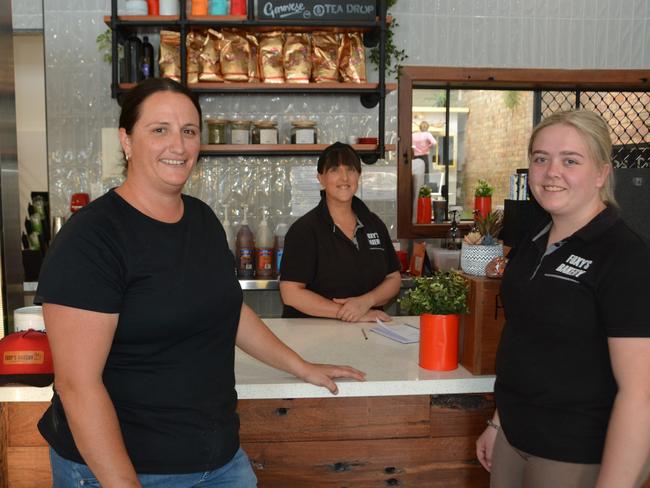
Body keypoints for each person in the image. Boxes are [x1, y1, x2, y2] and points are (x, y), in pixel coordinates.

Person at [35, 78, 365, 488]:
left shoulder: (201, 220)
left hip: (220, 463)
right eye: (160, 130)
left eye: (188, 131)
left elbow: (228, 310)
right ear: (126, 140)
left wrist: (301, 366)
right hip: (124, 471)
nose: (178, 145)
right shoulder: (93, 239)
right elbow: (77, 386)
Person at [476, 110, 650, 487]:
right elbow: (524, 340)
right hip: (513, 440)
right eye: (541, 159)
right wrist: (498, 423)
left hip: (575, 454)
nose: (551, 172)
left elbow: (641, 395)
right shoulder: (533, 240)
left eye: (570, 160)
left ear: (602, 173)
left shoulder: (624, 256)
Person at [279, 142, 401, 322]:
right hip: (313, 336)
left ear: (359, 175)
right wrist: (350, 313)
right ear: (320, 178)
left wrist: (366, 302)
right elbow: (291, 293)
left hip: (367, 333)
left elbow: (393, 278)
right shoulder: (304, 230)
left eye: (350, 170)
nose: (344, 178)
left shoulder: (373, 223)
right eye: (335, 170)